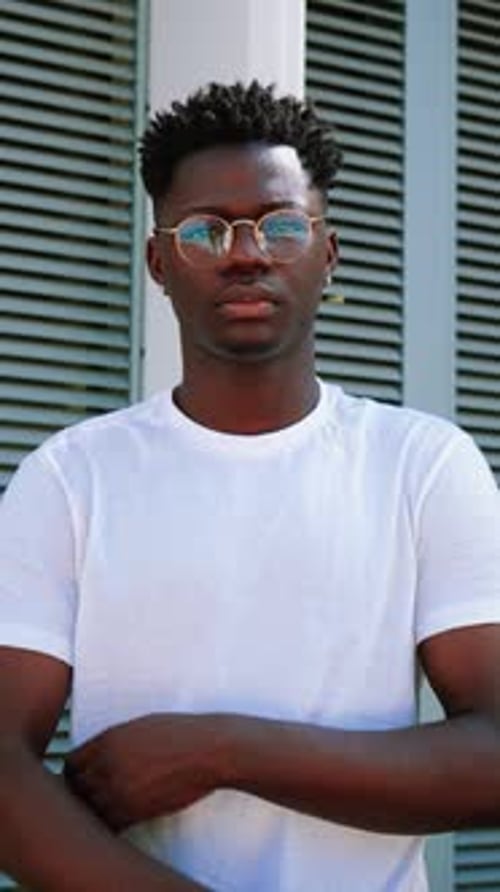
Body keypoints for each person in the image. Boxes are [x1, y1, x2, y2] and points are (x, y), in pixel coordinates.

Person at [1, 80, 500, 892]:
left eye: (281, 225)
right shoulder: (71, 476)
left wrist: (223, 750)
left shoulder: (423, 464)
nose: (245, 251)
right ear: (159, 262)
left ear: (327, 252)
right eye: (205, 230)